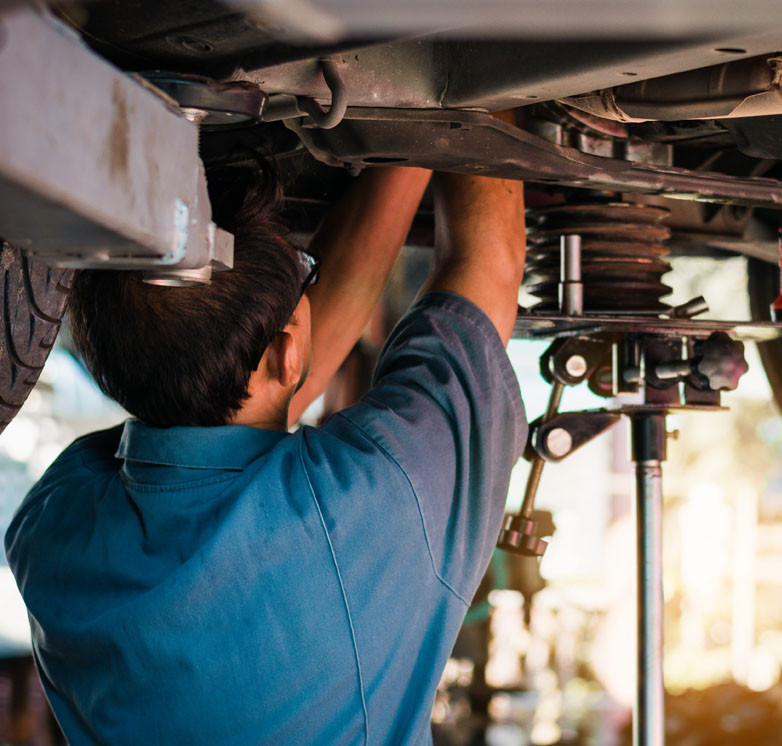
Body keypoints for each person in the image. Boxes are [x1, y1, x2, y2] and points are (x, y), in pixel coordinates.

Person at [4, 163, 527, 745]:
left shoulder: (52, 530)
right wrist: (442, 106)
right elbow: (485, 262)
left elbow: (484, 270)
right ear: (286, 352)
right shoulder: (50, 527)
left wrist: (427, 140)